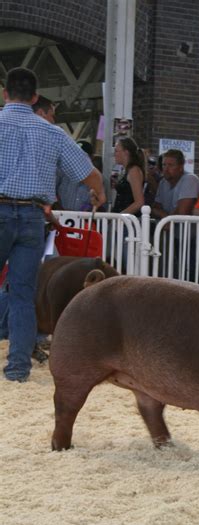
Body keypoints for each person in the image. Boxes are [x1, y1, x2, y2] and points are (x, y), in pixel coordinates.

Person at [0, 67, 105, 382]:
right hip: (33, 217)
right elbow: (91, 175)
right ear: (34, 97)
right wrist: (97, 194)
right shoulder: (52, 132)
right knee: (22, 293)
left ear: (5, 94)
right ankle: (18, 369)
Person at [151, 149, 199, 219]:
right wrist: (164, 215)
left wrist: (166, 220)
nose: (166, 169)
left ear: (181, 167)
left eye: (170, 165)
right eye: (164, 165)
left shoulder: (190, 179)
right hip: (170, 227)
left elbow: (182, 213)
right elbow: (155, 208)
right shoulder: (163, 182)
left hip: (189, 228)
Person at [57, 140, 97, 211]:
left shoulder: (98, 179)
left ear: (91, 157)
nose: (78, 159)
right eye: (75, 155)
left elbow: (100, 204)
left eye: (82, 156)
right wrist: (61, 211)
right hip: (60, 218)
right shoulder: (61, 174)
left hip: (86, 220)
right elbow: (50, 194)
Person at [111, 137, 145, 216]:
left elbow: (139, 202)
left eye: (116, 151)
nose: (114, 154)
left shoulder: (134, 170)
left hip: (128, 222)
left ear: (126, 152)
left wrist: (120, 217)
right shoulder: (126, 170)